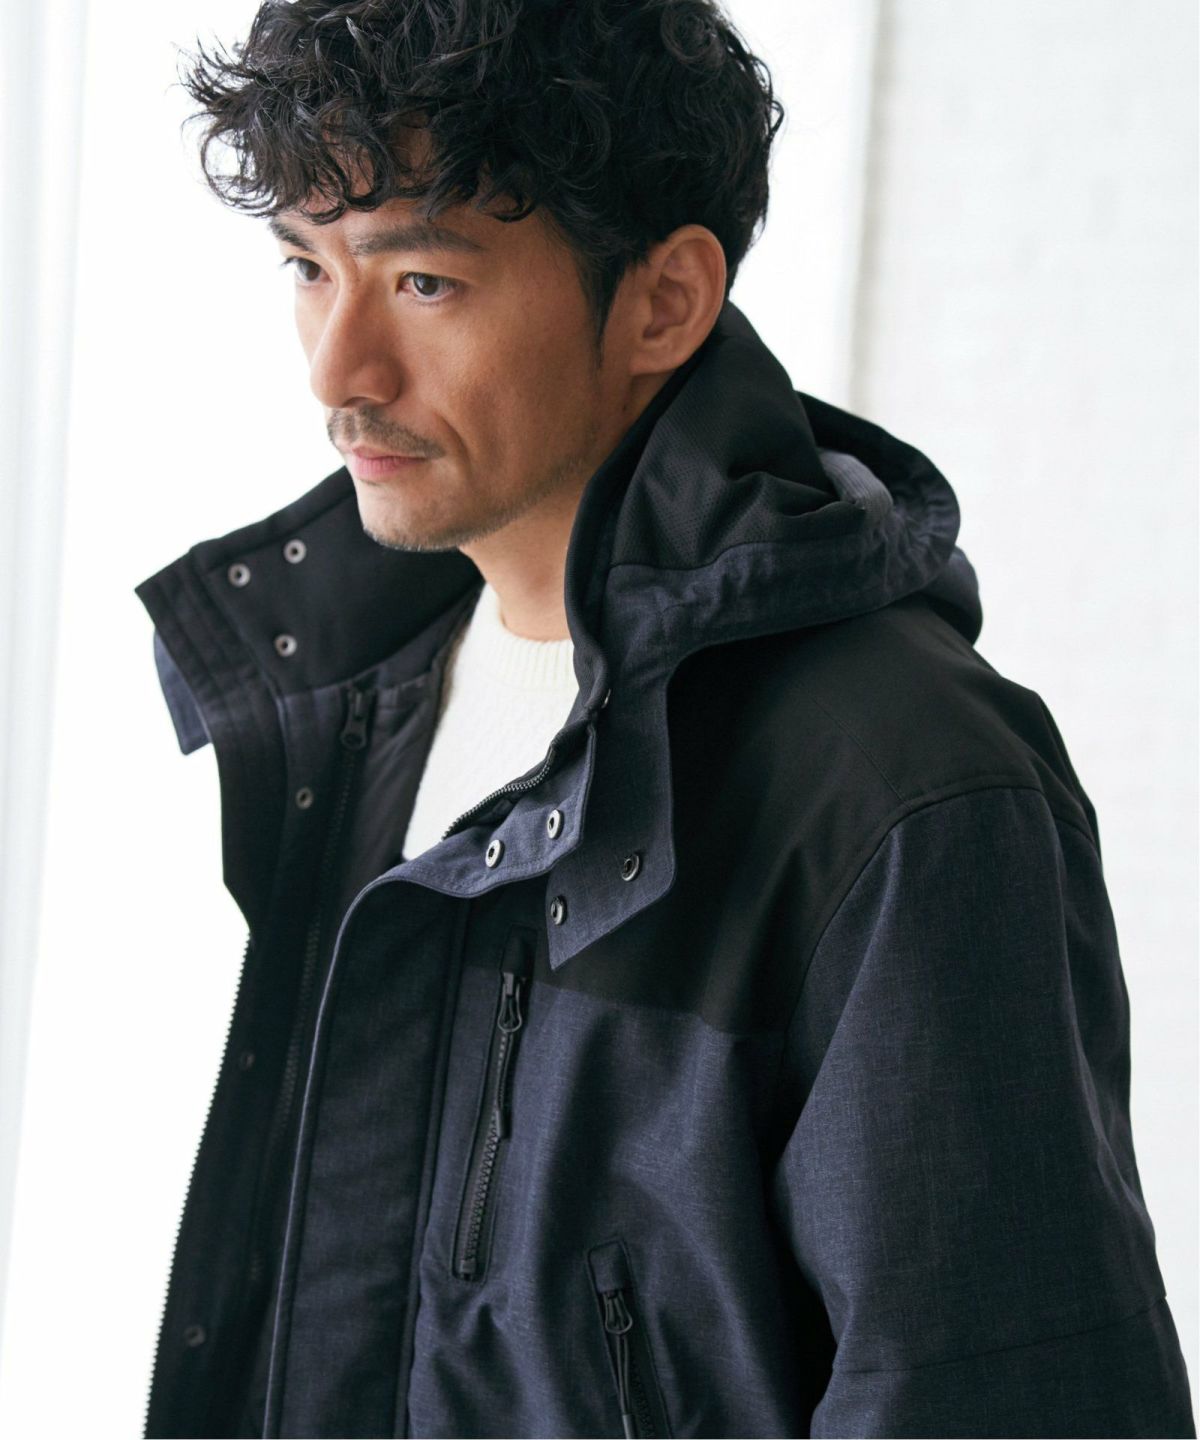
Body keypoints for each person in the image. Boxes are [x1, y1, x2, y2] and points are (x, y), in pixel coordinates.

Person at [134, 2, 1195, 1436]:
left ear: (665, 302)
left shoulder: (902, 791)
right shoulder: (346, 697)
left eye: (425, 282)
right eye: (307, 269)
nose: (339, 371)